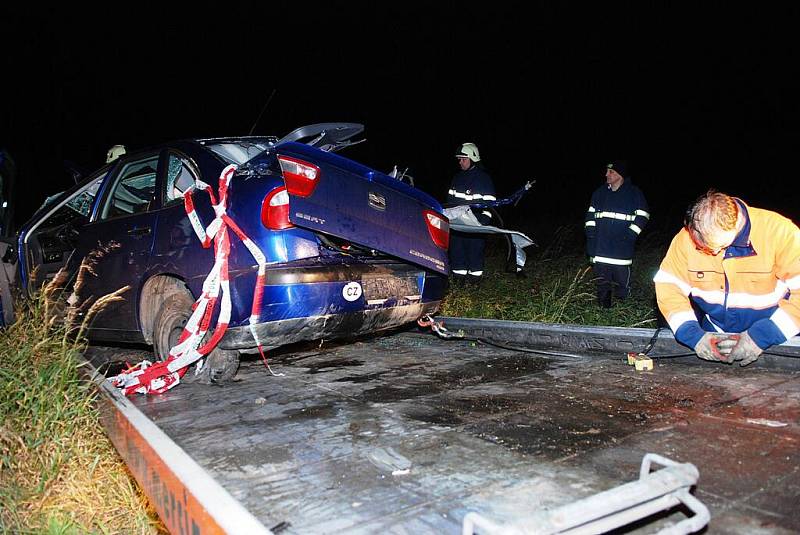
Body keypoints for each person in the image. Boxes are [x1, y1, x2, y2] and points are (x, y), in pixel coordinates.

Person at [654, 190, 800, 366]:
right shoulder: (686, 239)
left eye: (717, 247)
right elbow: (669, 286)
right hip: (715, 335)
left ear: (736, 225)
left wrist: (762, 336)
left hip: (775, 335)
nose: (713, 253)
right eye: (702, 248)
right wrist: (693, 335)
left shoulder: (780, 233)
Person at [584, 160, 650, 307]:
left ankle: (623, 316)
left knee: (622, 286)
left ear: (620, 175)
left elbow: (643, 215)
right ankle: (604, 313)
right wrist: (591, 236)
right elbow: (590, 217)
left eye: (611, 171)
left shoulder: (634, 193)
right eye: (607, 171)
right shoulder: (599, 193)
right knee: (602, 285)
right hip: (600, 250)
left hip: (621, 253)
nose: (606, 174)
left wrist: (630, 235)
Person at [447, 142, 496, 284]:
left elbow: (490, 205)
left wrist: (481, 224)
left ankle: (475, 284)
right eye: (459, 159)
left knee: (475, 254)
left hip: (475, 226)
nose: (460, 162)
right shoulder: (457, 178)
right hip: (457, 225)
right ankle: (458, 282)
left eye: (463, 159)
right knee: (457, 253)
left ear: (473, 158)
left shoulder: (484, 179)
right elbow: (450, 202)